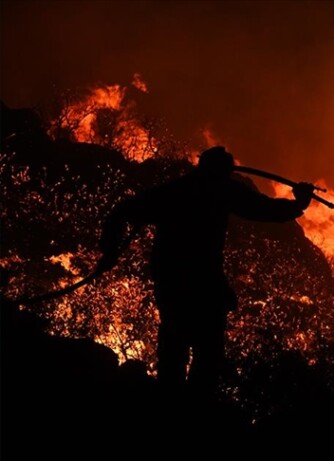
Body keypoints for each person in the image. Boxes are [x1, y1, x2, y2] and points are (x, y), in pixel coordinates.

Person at [98, 146, 314, 395]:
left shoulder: (174, 191)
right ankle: (194, 410)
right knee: (206, 352)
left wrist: (110, 250)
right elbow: (264, 209)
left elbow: (122, 211)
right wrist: (299, 203)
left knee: (175, 348)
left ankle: (171, 403)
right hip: (202, 284)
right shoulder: (221, 191)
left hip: (173, 282)